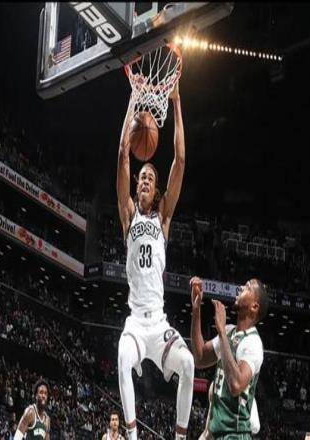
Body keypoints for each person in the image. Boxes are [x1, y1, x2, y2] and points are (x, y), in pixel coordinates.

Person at [116, 79, 194, 440]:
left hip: (159, 324)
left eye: (150, 177)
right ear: (136, 186)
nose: (145, 180)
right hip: (135, 322)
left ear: (157, 188)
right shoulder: (128, 216)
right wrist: (133, 99)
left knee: (189, 364)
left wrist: (176, 102)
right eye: (142, 177)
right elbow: (122, 154)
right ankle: (132, 435)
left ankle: (179, 437)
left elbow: (180, 159)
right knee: (122, 359)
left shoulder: (163, 218)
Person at [190, 277, 268, 439]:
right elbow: (200, 358)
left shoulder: (252, 342)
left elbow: (236, 385)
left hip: (235, 434)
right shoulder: (229, 331)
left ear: (254, 306)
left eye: (247, 287)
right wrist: (196, 309)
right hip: (218, 433)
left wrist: (221, 332)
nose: (240, 288)